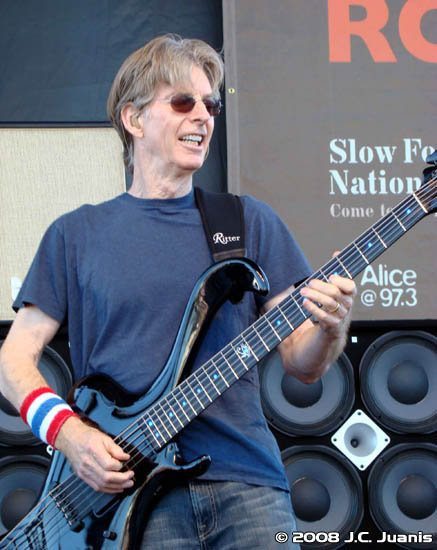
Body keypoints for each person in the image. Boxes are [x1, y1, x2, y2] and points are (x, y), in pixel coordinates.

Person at [0, 34, 356, 548]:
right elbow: (13, 359)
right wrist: (68, 435)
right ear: (134, 119)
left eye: (211, 105)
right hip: (129, 501)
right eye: (183, 102)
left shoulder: (245, 222)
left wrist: (331, 327)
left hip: (247, 483)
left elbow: (303, 363)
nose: (204, 116)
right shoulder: (76, 235)